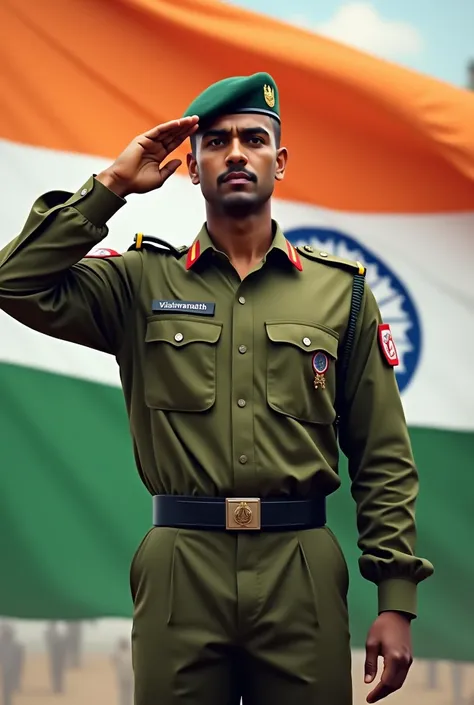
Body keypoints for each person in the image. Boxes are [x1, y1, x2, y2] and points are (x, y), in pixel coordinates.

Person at [0, 71, 434, 705]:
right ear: (192, 167)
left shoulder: (343, 293)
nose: (236, 153)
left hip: (301, 567)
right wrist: (113, 186)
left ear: (279, 162)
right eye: (216, 141)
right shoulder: (141, 283)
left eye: (254, 140)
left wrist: (396, 599)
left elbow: (383, 457)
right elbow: (15, 282)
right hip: (180, 567)